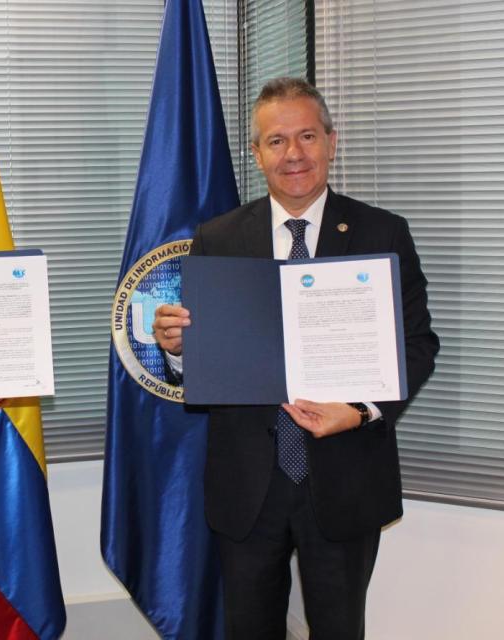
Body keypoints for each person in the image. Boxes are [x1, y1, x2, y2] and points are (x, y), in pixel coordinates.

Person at [153, 77, 439, 639]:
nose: (295, 154)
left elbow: (417, 344)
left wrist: (360, 410)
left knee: (339, 629)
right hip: (247, 486)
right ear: (256, 154)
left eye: (307, 135)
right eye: (277, 141)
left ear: (333, 141)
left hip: (345, 475)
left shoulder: (383, 232)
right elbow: (204, 360)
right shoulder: (218, 236)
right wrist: (181, 350)